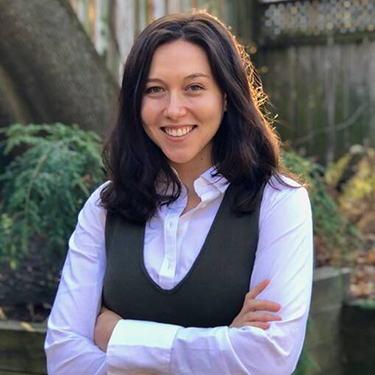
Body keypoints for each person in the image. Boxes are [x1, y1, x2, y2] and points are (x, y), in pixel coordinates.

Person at [45, 11, 313, 375]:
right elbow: (64, 358)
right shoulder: (105, 206)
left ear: (227, 96)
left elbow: (266, 360)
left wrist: (119, 337)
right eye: (155, 90)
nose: (173, 110)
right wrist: (222, 342)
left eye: (194, 87)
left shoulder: (279, 202)